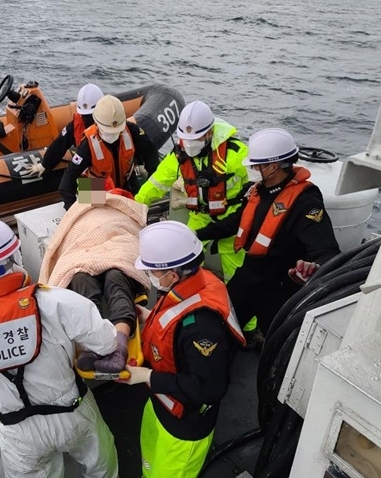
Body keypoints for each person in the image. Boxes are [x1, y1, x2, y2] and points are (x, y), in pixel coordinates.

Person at [0, 217, 119, 478]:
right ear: (16, 255)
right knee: (101, 467)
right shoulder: (56, 302)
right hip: (71, 412)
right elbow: (107, 342)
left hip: (17, 429)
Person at [122, 220, 245, 478]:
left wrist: (148, 377)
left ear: (173, 274)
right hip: (160, 405)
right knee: (149, 465)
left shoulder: (203, 325)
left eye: (153, 272)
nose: (151, 277)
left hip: (184, 425)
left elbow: (209, 388)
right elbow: (173, 319)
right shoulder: (194, 283)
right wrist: (148, 318)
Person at [195, 128, 341, 337]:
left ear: (273, 167)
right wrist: (197, 234)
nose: (252, 169)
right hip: (248, 273)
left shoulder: (306, 202)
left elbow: (326, 251)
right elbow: (236, 221)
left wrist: (311, 267)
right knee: (221, 325)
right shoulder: (255, 191)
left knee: (275, 340)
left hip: (279, 286)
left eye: (256, 165)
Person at [135, 100, 250, 284]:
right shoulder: (179, 156)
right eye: (185, 139)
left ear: (209, 133)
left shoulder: (237, 155)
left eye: (194, 139)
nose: (188, 145)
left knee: (238, 279)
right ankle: (193, 295)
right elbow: (156, 184)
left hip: (232, 218)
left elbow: (257, 189)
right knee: (183, 260)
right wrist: (134, 205)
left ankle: (237, 307)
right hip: (201, 215)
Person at [39, 188, 150, 373]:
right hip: (84, 245)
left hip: (118, 242)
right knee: (82, 277)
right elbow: (75, 205)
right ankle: (94, 345)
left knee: (115, 276)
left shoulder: (124, 203)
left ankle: (119, 347)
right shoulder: (87, 197)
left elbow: (132, 214)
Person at [58, 94, 159, 210]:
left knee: (135, 209)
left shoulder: (133, 132)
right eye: (108, 131)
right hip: (96, 189)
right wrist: (71, 209)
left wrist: (149, 178)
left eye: (116, 131)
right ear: (96, 123)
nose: (112, 135)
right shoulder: (88, 144)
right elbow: (68, 179)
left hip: (126, 183)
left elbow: (151, 153)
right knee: (100, 218)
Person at [24, 83, 104, 178]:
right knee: (74, 187)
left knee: (77, 187)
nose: (87, 119)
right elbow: (60, 143)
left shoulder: (116, 125)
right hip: (97, 178)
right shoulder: (75, 126)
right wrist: (44, 164)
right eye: (85, 115)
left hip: (113, 179)